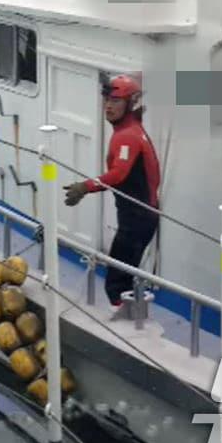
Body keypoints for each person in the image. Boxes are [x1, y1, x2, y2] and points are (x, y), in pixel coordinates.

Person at [63, 74, 161, 307]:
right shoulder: (131, 129)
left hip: (137, 218)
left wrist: (84, 187)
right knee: (123, 272)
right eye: (107, 99)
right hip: (139, 215)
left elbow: (119, 174)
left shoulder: (127, 136)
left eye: (116, 101)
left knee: (117, 281)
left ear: (130, 104)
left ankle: (125, 321)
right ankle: (128, 313)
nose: (108, 105)